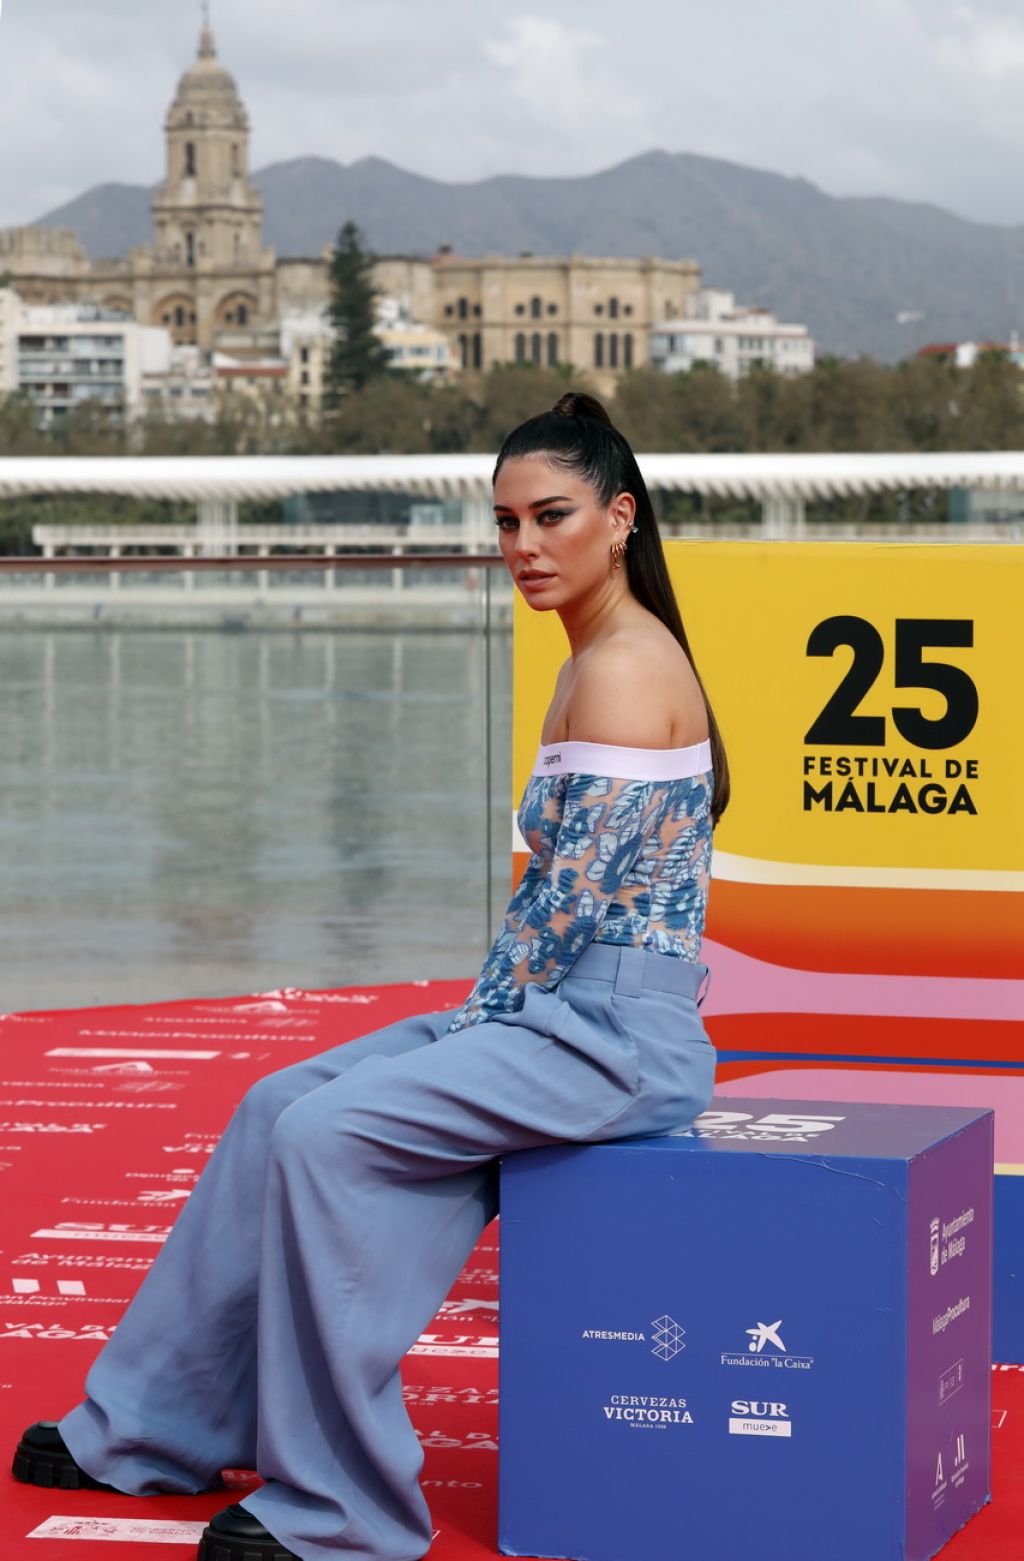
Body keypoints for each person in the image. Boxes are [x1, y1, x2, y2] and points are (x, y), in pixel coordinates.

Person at [11, 392, 729, 1561]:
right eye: (503, 523)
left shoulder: (623, 668)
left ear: (619, 517)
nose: (522, 548)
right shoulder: (596, 652)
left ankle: (340, 1507)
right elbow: (553, 919)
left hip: (612, 1038)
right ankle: (155, 1424)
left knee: (326, 1133)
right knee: (272, 1107)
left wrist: (469, 1026)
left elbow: (564, 909)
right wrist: (478, 1020)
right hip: (555, 1013)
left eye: (550, 517)